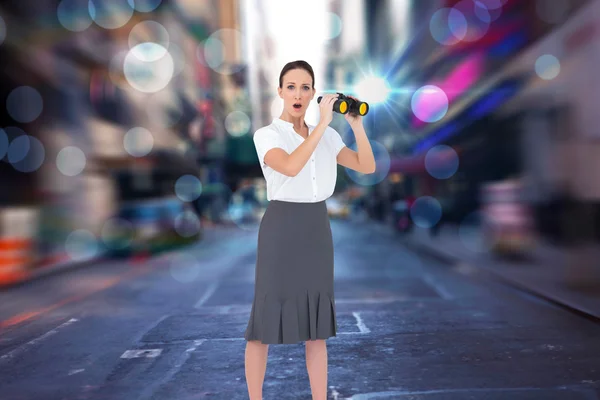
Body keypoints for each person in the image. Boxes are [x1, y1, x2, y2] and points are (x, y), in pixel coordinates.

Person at [243, 60, 376, 400]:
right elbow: (289, 165)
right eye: (291, 86)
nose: (298, 94)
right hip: (280, 228)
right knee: (264, 322)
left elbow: (367, 166)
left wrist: (356, 125)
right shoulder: (267, 135)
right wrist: (321, 127)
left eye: (305, 87)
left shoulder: (329, 136)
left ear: (314, 93)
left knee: (317, 329)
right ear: (280, 92)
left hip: (317, 228)